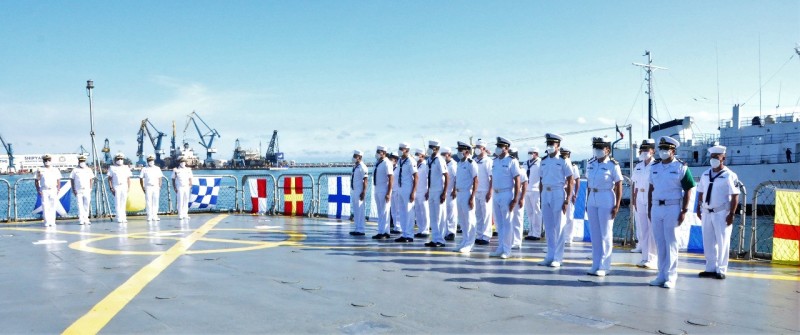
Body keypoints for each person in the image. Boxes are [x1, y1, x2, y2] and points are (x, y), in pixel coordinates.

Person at [648, 136, 695, 289]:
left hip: (672, 207)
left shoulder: (681, 167)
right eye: (661, 148)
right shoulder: (654, 167)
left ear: (673, 151)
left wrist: (684, 210)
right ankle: (661, 275)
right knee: (660, 243)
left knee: (672, 242)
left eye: (665, 149)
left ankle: (671, 276)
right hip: (656, 207)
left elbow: (688, 188)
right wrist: (649, 208)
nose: (662, 151)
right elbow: (651, 188)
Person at [696, 145, 740, 280]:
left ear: (723, 158)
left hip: (722, 213)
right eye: (712, 157)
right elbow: (701, 192)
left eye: (716, 157)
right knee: (708, 241)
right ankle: (710, 267)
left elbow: (735, 195)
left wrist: (732, 214)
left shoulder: (729, 175)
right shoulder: (705, 174)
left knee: (722, 241)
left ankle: (721, 269)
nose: (713, 159)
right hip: (707, 212)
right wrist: (698, 208)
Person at [585, 138, 623, 277]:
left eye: (600, 147)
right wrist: (587, 202)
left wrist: (617, 205)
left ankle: (605, 265)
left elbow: (619, 184)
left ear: (607, 149)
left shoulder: (613, 165)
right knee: (595, 234)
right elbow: (589, 183)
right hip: (592, 197)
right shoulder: (591, 163)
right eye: (595, 147)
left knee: (605, 234)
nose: (597, 150)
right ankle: (595, 264)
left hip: (606, 197)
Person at [539, 133, 574, 267]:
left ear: (558, 146)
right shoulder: (544, 160)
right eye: (548, 144)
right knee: (548, 227)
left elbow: (571, 180)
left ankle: (558, 258)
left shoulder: (563, 160)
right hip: (546, 193)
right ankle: (550, 255)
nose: (549, 146)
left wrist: (567, 200)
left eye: (552, 144)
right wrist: (541, 196)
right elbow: (541, 180)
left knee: (559, 226)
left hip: (558, 192)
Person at [490, 137, 521, 259]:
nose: (497, 148)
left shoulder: (512, 161)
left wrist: (515, 198)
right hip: (496, 193)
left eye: (500, 146)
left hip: (506, 193)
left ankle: (507, 250)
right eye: (497, 146)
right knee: (499, 223)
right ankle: (501, 247)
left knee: (507, 223)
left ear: (506, 148)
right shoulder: (495, 161)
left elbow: (517, 180)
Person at [631, 139, 657, 268]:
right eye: (642, 150)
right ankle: (645, 257)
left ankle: (652, 259)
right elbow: (634, 184)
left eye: (646, 150)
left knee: (652, 230)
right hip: (640, 198)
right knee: (643, 229)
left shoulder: (656, 165)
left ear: (653, 151)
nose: (644, 152)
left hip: (651, 198)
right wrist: (634, 200)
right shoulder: (638, 166)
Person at [453, 141, 479, 253]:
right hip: (459, 193)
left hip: (467, 193)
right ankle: (464, 241)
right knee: (462, 220)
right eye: (458, 150)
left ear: (466, 151)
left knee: (469, 220)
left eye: (460, 150)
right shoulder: (459, 163)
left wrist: (472, 197)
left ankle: (469, 243)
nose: (458, 152)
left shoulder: (471, 163)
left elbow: (476, 180)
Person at [425, 140, 449, 248]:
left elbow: (446, 176)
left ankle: (441, 240)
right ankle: (434, 238)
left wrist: (444, 192)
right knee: (433, 216)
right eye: (429, 146)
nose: (430, 148)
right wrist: (427, 190)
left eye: (432, 147)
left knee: (439, 216)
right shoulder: (429, 159)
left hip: (439, 190)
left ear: (437, 149)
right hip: (431, 191)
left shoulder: (440, 160)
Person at [394, 143, 418, 243]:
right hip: (401, 188)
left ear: (406, 150)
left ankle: (409, 235)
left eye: (401, 149)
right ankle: (404, 234)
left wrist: (413, 192)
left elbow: (416, 177)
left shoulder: (411, 161)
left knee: (409, 212)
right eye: (399, 148)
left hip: (408, 189)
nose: (399, 150)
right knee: (402, 212)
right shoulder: (400, 160)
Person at [473, 139, 494, 245]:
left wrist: (490, 191)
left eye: (478, 147)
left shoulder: (488, 161)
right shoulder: (474, 161)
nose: (476, 149)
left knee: (486, 214)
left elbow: (492, 178)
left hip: (485, 191)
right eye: (475, 147)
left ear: (484, 149)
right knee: (478, 214)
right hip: (476, 191)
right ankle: (479, 234)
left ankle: (486, 236)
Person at [560, 147, 581, 246]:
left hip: (570, 192)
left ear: (569, 155)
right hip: (560, 192)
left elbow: (577, 180)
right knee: (559, 216)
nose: (564, 155)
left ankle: (568, 237)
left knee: (569, 216)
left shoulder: (573, 166)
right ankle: (561, 237)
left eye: (565, 154)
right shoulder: (559, 163)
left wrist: (575, 194)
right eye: (562, 154)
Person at [372, 146, 393, 239]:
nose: (377, 153)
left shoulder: (387, 163)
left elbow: (391, 178)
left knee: (385, 211)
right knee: (380, 211)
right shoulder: (377, 163)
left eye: (378, 151)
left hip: (384, 189)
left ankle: (385, 232)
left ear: (383, 152)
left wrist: (388, 192)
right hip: (377, 189)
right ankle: (380, 231)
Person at [35, 154, 61, 227]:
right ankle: (46, 221)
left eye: (48, 160)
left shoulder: (55, 169)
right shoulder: (40, 169)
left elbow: (58, 180)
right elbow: (36, 180)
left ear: (51, 161)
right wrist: (38, 190)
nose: (47, 161)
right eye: (45, 160)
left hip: (53, 189)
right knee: (45, 206)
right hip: (44, 189)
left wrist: (58, 189)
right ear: (43, 161)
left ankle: (52, 221)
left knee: (53, 205)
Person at [509, 147, 527, 249]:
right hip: (508, 195)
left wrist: (522, 198)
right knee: (508, 219)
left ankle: (517, 241)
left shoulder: (521, 170)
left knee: (518, 219)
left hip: (518, 195)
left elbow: (525, 185)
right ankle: (509, 240)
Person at [524, 147, 543, 241]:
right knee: (529, 213)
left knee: (536, 212)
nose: (530, 154)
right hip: (527, 190)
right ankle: (531, 232)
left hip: (536, 190)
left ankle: (537, 233)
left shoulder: (540, 163)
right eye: (529, 152)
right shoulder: (525, 163)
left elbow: (542, 177)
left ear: (536, 154)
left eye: (531, 152)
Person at [107, 153, 132, 224]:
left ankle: (123, 217)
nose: (120, 160)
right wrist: (111, 188)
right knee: (117, 202)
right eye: (118, 159)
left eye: (121, 159)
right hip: (116, 186)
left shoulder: (126, 167)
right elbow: (109, 179)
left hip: (124, 186)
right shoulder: (112, 168)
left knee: (123, 202)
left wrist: (128, 187)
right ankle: (119, 217)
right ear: (115, 160)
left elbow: (128, 178)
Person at [70, 155, 94, 225]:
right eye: (81, 161)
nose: (82, 162)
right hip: (78, 190)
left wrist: (90, 188)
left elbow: (91, 179)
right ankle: (81, 219)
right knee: (80, 205)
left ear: (85, 161)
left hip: (87, 190)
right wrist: (73, 189)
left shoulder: (88, 169)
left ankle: (86, 219)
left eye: (83, 161)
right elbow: (72, 179)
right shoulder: (75, 170)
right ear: (78, 161)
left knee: (87, 205)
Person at [349, 150, 368, 236]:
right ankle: (357, 228)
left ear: (359, 157)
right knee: (356, 211)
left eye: (355, 156)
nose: (353, 157)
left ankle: (361, 229)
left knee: (360, 211)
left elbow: (365, 180)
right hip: (354, 190)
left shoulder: (362, 167)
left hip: (359, 191)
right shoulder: (356, 166)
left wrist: (363, 192)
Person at [139, 155, 164, 222]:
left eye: (152, 160)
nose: (151, 162)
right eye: (149, 160)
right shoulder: (144, 169)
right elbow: (141, 178)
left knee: (156, 201)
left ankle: (155, 215)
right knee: (148, 201)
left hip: (156, 186)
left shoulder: (157, 168)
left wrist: (159, 186)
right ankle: (149, 216)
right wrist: (143, 187)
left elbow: (160, 178)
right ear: (147, 161)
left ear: (154, 161)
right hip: (148, 187)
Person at [413, 149, 430, 238]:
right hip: (417, 191)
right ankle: (420, 229)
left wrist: (428, 191)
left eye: (417, 154)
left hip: (424, 191)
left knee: (424, 211)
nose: (416, 155)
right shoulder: (416, 165)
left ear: (422, 156)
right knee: (418, 211)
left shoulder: (426, 165)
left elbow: (429, 178)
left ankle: (425, 230)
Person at [442, 147, 458, 241]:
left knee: (451, 212)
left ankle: (451, 232)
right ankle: (445, 231)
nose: (443, 156)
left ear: (449, 154)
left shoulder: (453, 165)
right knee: (445, 213)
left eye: (444, 154)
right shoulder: (444, 164)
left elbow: (456, 178)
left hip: (451, 191)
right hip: (444, 191)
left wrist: (454, 190)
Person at [172, 156, 194, 220]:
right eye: (181, 162)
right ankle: (180, 214)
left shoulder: (188, 170)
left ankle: (185, 214)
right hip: (180, 187)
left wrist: (190, 183)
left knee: (186, 200)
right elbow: (173, 179)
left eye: (184, 162)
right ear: (179, 162)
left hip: (187, 187)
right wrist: (175, 188)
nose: (183, 163)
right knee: (180, 201)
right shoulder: (176, 170)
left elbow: (190, 178)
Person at [388, 152, 402, 235]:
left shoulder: (399, 168)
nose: (390, 160)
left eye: (391, 159)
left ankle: (399, 227)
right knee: (393, 210)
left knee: (398, 210)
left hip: (397, 190)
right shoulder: (390, 168)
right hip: (391, 191)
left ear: (395, 160)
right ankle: (396, 227)